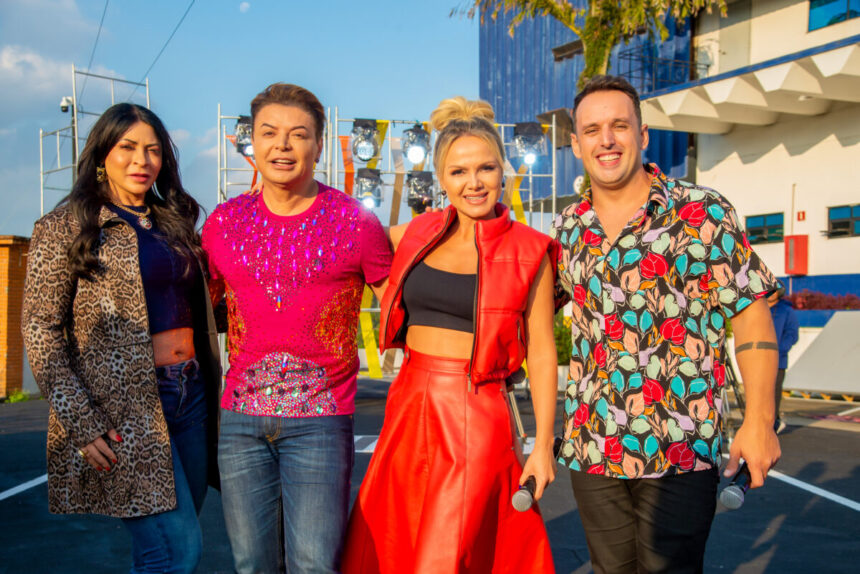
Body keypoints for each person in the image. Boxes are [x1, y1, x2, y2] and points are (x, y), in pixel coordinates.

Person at [550, 75, 782, 573]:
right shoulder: (568, 230)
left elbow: (751, 314)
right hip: (592, 447)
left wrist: (759, 420)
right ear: (575, 144)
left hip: (680, 443)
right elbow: (522, 314)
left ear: (643, 133)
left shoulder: (701, 212)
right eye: (592, 130)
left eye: (619, 126)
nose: (606, 140)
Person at [342, 97, 558, 574]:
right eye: (459, 172)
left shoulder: (531, 249)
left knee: (446, 548)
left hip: (478, 412)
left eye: (485, 168)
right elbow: (344, 245)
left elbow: (542, 351)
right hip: (407, 404)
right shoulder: (414, 234)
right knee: (393, 540)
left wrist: (542, 445)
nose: (474, 182)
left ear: (503, 170)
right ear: (441, 178)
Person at [22, 103, 221, 573]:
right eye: (127, 147)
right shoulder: (65, 227)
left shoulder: (174, 223)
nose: (141, 160)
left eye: (153, 150)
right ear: (101, 155)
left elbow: (200, 306)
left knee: (159, 551)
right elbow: (40, 329)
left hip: (189, 394)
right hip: (120, 407)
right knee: (178, 551)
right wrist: (82, 422)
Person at [201, 83, 392, 574]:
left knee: (313, 566)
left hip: (322, 422)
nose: (282, 145)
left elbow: (402, 310)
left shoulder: (356, 222)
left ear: (319, 146)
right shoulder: (222, 225)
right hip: (239, 422)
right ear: (253, 143)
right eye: (269, 132)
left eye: (298, 134)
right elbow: (197, 311)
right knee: (250, 565)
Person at [768, 287, 799, 433]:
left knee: (774, 394)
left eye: (774, 290)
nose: (771, 292)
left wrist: (779, 350)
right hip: (758, 359)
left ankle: (773, 424)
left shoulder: (786, 311)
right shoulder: (759, 308)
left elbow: (792, 334)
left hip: (778, 360)